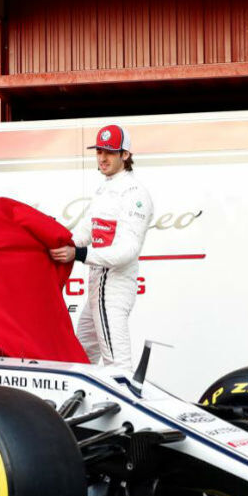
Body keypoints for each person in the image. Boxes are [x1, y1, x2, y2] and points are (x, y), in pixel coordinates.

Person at [50, 123, 153, 373]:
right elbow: (84, 232)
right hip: (98, 289)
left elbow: (127, 250)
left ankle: (126, 399)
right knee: (82, 357)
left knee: (118, 366)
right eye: (99, 151)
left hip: (114, 289)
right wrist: (56, 241)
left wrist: (78, 254)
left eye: (109, 152)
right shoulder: (104, 188)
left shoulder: (135, 194)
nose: (102, 158)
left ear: (125, 154)